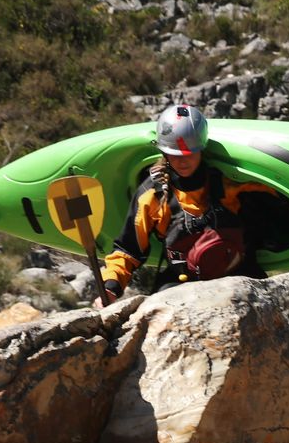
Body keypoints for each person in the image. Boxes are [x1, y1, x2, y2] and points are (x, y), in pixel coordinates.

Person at [95, 104, 279, 307]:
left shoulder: (228, 182)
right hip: (182, 286)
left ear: (201, 148)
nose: (182, 160)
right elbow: (127, 250)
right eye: (174, 153)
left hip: (240, 277)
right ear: (163, 152)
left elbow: (280, 200)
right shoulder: (152, 196)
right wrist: (110, 286)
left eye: (189, 153)